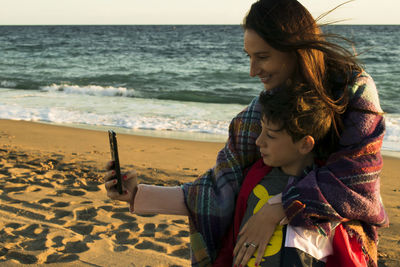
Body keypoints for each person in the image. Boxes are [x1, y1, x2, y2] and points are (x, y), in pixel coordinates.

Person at [105, 0, 389, 266]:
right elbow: (218, 189)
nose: (253, 71)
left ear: (294, 50)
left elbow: (354, 180)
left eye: (262, 57)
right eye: (249, 57)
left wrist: (280, 208)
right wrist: (136, 195)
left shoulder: (352, 89)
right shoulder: (262, 111)